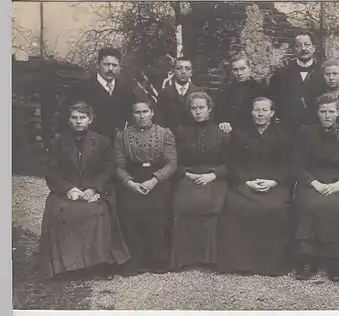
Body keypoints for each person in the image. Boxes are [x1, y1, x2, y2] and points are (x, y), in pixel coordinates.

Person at [38, 102, 131, 280]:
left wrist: (94, 188)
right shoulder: (57, 142)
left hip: (93, 189)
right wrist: (68, 189)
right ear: (68, 120)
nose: (78, 121)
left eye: (82, 118)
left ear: (90, 119)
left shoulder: (102, 141)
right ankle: (66, 266)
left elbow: (108, 169)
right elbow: (51, 171)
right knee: (61, 213)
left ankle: (98, 263)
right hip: (66, 190)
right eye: (74, 118)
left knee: (98, 212)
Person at [218, 97, 293, 276]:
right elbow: (233, 163)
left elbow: (288, 164)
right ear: (251, 112)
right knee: (236, 207)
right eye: (256, 110)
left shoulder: (283, 134)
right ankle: (242, 263)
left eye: (264, 110)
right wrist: (247, 181)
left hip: (274, 184)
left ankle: (272, 265)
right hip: (247, 183)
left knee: (275, 208)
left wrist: (273, 181)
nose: (260, 114)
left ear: (272, 113)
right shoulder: (240, 134)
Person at [292, 93, 339, 282]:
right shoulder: (306, 133)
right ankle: (307, 259)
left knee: (338, 207)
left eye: (331, 111)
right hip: (313, 180)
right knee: (309, 204)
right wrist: (315, 184)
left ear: (338, 112)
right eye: (323, 112)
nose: (327, 116)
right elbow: (297, 166)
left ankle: (335, 259)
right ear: (317, 113)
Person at [115, 95, 177, 276]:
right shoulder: (122, 135)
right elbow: (119, 166)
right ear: (132, 115)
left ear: (152, 113)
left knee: (157, 208)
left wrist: (154, 180)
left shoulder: (165, 133)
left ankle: (159, 259)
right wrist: (130, 183)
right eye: (137, 112)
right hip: (133, 178)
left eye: (145, 112)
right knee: (129, 208)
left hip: (158, 178)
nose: (141, 116)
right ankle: (135, 259)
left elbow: (172, 164)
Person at [170, 92, 230, 270]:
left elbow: (230, 162)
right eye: (193, 108)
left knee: (211, 205)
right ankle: (185, 259)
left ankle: (210, 258)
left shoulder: (221, 132)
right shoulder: (180, 132)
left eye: (201, 108)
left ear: (209, 109)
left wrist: (213, 175)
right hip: (188, 176)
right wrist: (187, 174)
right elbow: (175, 162)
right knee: (184, 204)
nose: (197, 112)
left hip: (214, 177)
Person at [62, 47, 136, 140]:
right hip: (90, 145)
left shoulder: (126, 88)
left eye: (114, 65)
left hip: (118, 144)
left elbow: (130, 115)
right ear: (98, 65)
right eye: (106, 64)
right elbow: (67, 117)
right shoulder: (81, 88)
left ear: (119, 67)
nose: (110, 69)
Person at [267, 31, 323, 133]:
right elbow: (271, 100)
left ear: (314, 48)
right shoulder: (281, 74)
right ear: (294, 49)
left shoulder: (323, 73)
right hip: (288, 130)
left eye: (307, 45)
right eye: (299, 45)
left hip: (316, 130)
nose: (304, 49)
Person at [216, 53, 267, 133]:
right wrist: (223, 122)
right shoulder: (224, 90)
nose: (239, 73)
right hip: (231, 133)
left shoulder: (261, 89)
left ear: (250, 68)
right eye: (235, 70)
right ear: (231, 71)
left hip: (254, 133)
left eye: (243, 69)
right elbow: (219, 113)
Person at [155, 57, 205, 136]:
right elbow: (159, 119)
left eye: (187, 69)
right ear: (174, 71)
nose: (183, 72)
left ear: (191, 72)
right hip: (170, 138)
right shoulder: (164, 93)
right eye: (179, 68)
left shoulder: (199, 92)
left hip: (193, 139)